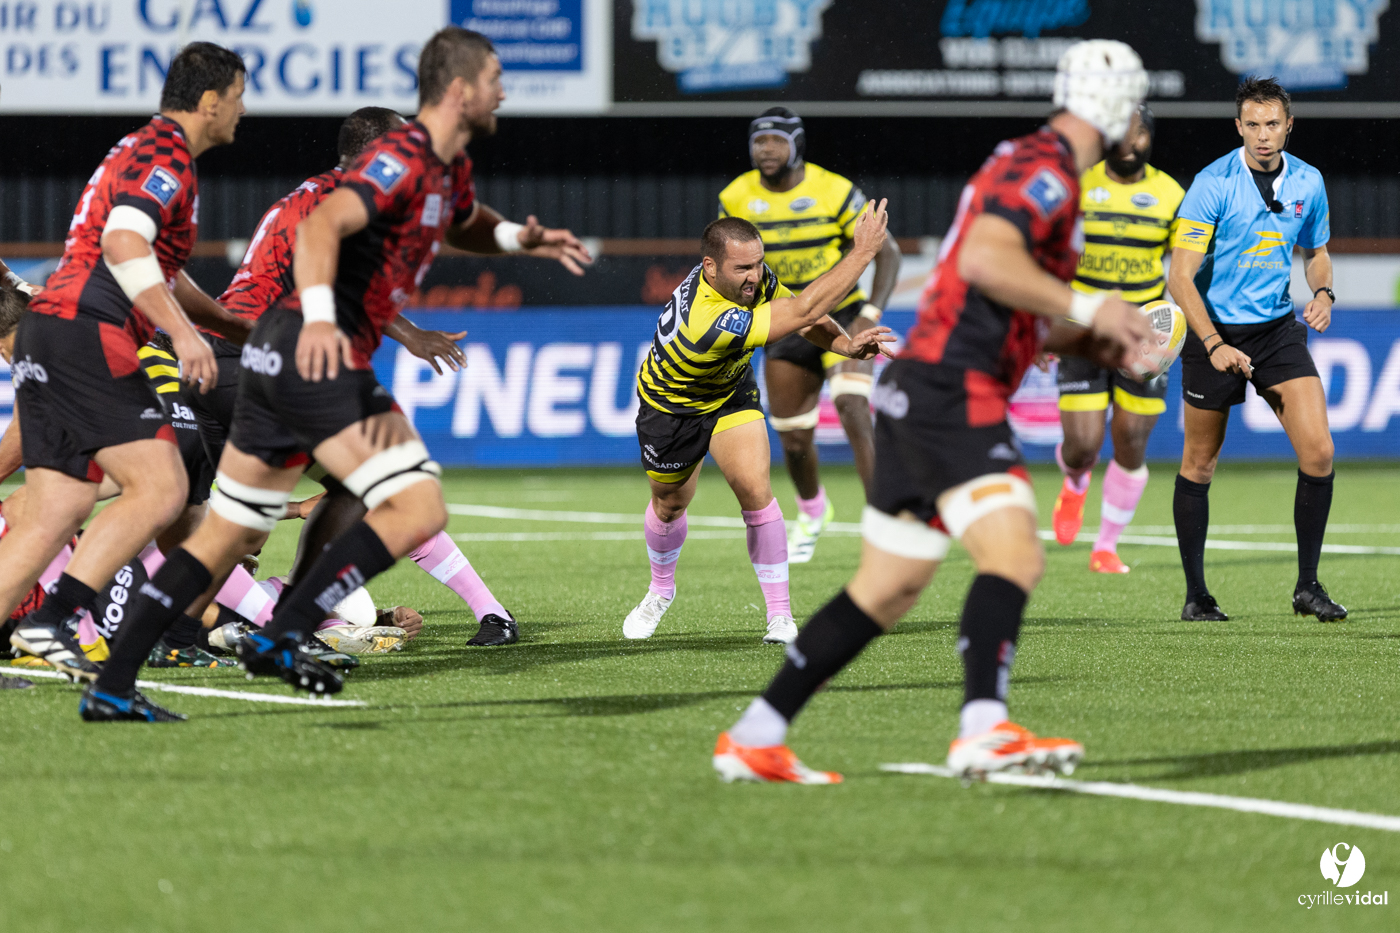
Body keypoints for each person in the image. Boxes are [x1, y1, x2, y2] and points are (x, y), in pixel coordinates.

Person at [81, 26, 593, 722]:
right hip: (299, 350)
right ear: (460, 89)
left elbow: (463, 221)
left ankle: (118, 677)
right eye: (496, 76)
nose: (505, 89)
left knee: (231, 528)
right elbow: (322, 230)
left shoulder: (442, 169)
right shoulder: (395, 160)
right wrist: (323, 318)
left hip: (264, 354)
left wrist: (516, 239)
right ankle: (288, 626)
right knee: (414, 504)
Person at [712, 40, 1154, 784]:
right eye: (1138, 112)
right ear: (1117, 108)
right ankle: (982, 727)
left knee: (885, 588)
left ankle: (756, 734)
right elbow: (986, 259)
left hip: (925, 389)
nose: (1141, 129)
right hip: (955, 391)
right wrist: (1093, 303)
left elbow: (1007, 294)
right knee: (1014, 553)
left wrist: (1103, 343)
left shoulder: (1033, 163)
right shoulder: (1047, 170)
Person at [208, 106, 523, 647]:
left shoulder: (321, 196)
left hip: (218, 367)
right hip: (258, 363)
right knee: (391, 490)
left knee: (195, 518)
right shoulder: (341, 205)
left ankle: (164, 631)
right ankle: (292, 622)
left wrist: (409, 334)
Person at [2, 42, 246, 683]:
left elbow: (157, 264)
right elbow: (123, 241)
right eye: (240, 97)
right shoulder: (166, 155)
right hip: (89, 331)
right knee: (162, 486)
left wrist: (224, 325)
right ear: (212, 100)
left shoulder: (142, 150)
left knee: (52, 510)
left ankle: (43, 620)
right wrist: (183, 336)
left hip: (49, 329)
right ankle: (53, 620)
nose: (243, 112)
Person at [624, 210, 894, 646]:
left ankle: (780, 616)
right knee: (670, 503)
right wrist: (863, 252)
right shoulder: (706, 319)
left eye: (757, 264)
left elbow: (804, 313)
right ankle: (660, 589)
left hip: (729, 392)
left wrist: (844, 344)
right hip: (672, 409)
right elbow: (804, 307)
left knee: (756, 490)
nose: (755, 276)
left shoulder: (746, 279)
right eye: (743, 268)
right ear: (710, 267)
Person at [1168, 76, 1344, 623]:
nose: (1263, 135)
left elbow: (1315, 251)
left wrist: (1323, 290)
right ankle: (1197, 596)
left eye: (1273, 124)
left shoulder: (1308, 182)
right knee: (1199, 463)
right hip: (1212, 329)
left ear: (1288, 126)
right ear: (1238, 127)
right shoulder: (1212, 183)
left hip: (1275, 330)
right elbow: (1180, 277)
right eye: (1253, 124)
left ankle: (1308, 587)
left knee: (1319, 453)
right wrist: (1214, 342)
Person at [718, 108, 902, 562]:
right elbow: (727, 266)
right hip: (784, 320)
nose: (766, 150)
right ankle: (813, 511)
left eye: (776, 141)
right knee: (795, 439)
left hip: (844, 314)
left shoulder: (834, 191)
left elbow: (888, 251)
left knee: (852, 404)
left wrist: (871, 311)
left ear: (796, 144)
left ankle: (885, 524)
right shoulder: (735, 196)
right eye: (759, 142)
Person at [1051, 105, 1185, 573]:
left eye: (1139, 133)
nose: (1130, 142)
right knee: (1082, 447)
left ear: (1150, 138)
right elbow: (1052, 259)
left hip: (1143, 334)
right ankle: (1074, 483)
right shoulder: (1078, 184)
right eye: (1121, 133)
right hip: (1082, 328)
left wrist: (1180, 323)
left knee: (1130, 442)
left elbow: (1185, 269)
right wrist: (1044, 327)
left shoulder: (1171, 194)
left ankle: (1106, 545)